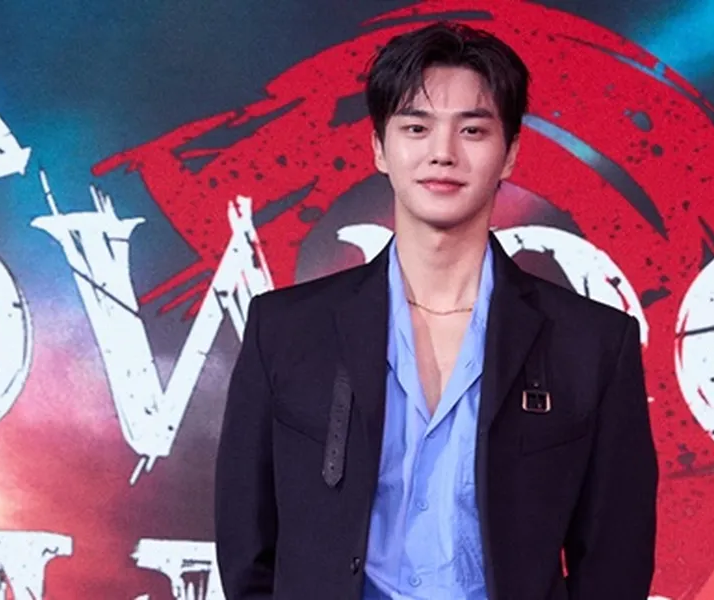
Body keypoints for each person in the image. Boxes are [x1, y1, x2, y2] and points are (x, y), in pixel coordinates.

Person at [214, 21, 658, 600]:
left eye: (472, 130)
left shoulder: (592, 343)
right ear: (380, 147)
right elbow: (247, 549)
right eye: (416, 127)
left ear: (510, 153)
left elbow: (616, 558)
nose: (443, 154)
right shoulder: (285, 330)